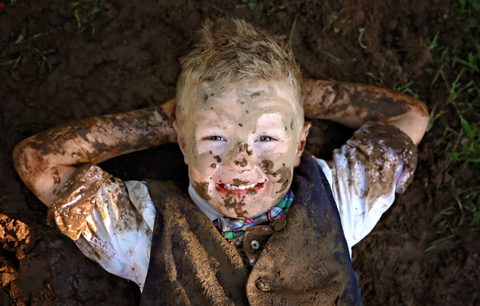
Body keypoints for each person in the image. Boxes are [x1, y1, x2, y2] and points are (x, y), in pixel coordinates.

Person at [13, 18, 428, 305]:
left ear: (299, 145)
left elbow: (408, 116)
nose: (242, 162)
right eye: (215, 138)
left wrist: (288, 96)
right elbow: (39, 161)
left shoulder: (338, 197)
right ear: (182, 142)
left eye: (266, 137)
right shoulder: (144, 226)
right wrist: (162, 119)